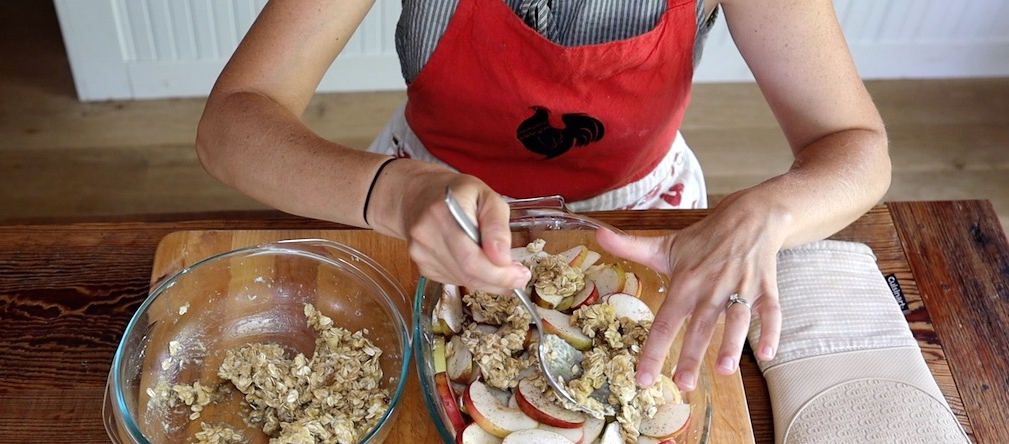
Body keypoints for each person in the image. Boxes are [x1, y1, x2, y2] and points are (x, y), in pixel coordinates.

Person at [195, 0, 891, 393]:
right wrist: (393, 193)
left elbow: (858, 148)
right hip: (427, 215)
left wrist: (771, 212)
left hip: (641, 221)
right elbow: (233, 122)